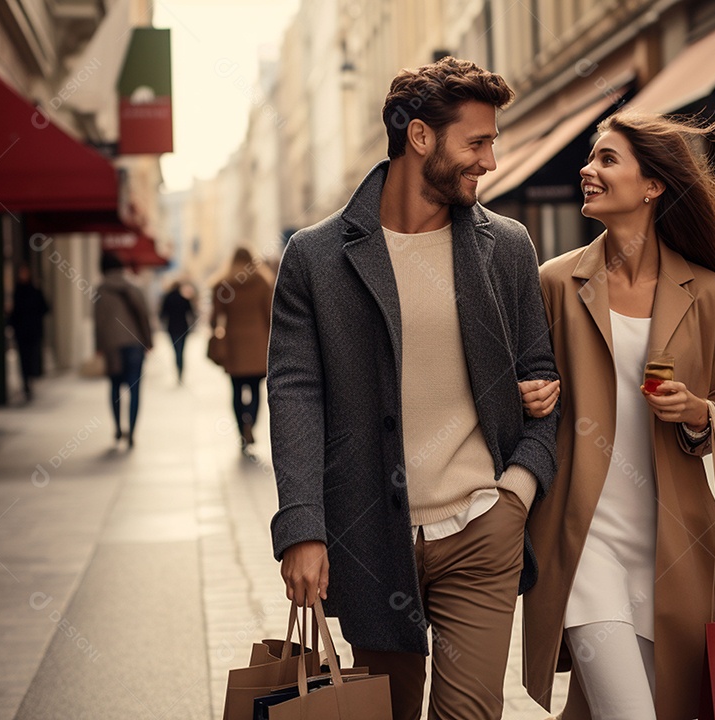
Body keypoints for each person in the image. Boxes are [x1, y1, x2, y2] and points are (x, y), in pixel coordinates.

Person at [267, 56, 558, 720]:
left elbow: (544, 385)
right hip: (370, 541)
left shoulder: (507, 246)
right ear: (420, 137)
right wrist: (302, 529)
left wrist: (517, 491)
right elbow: (294, 394)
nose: (489, 160)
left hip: (483, 531)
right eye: (476, 142)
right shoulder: (315, 258)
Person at [520, 110, 715, 720]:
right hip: (581, 533)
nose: (587, 170)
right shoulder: (556, 283)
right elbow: (520, 396)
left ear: (652, 186)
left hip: (672, 541)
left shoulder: (711, 296)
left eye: (606, 159)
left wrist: (697, 413)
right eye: (592, 158)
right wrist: (529, 398)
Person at [211, 248, 273, 454]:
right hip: (258, 343)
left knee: (237, 390)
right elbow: (270, 316)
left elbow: (215, 318)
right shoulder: (263, 283)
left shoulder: (224, 284)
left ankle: (241, 431)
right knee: (255, 389)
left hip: (234, 345)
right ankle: (251, 424)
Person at [95, 253, 153, 449]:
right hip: (134, 343)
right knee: (134, 389)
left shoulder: (101, 290)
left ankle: (118, 428)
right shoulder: (133, 287)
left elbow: (99, 322)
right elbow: (143, 315)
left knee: (114, 387)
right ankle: (133, 431)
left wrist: (99, 346)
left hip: (112, 345)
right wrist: (148, 340)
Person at [7, 265, 49, 401]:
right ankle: (26, 383)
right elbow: (14, 314)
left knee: (31, 357)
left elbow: (45, 308)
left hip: (33, 331)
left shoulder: (34, 291)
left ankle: (30, 379)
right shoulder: (17, 292)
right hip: (21, 332)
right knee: (24, 358)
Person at [159, 279, 197, 384]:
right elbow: (191, 313)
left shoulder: (167, 298)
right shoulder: (184, 298)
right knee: (182, 351)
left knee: (176, 351)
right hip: (183, 328)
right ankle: (180, 371)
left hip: (172, 328)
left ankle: (178, 369)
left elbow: (162, 314)